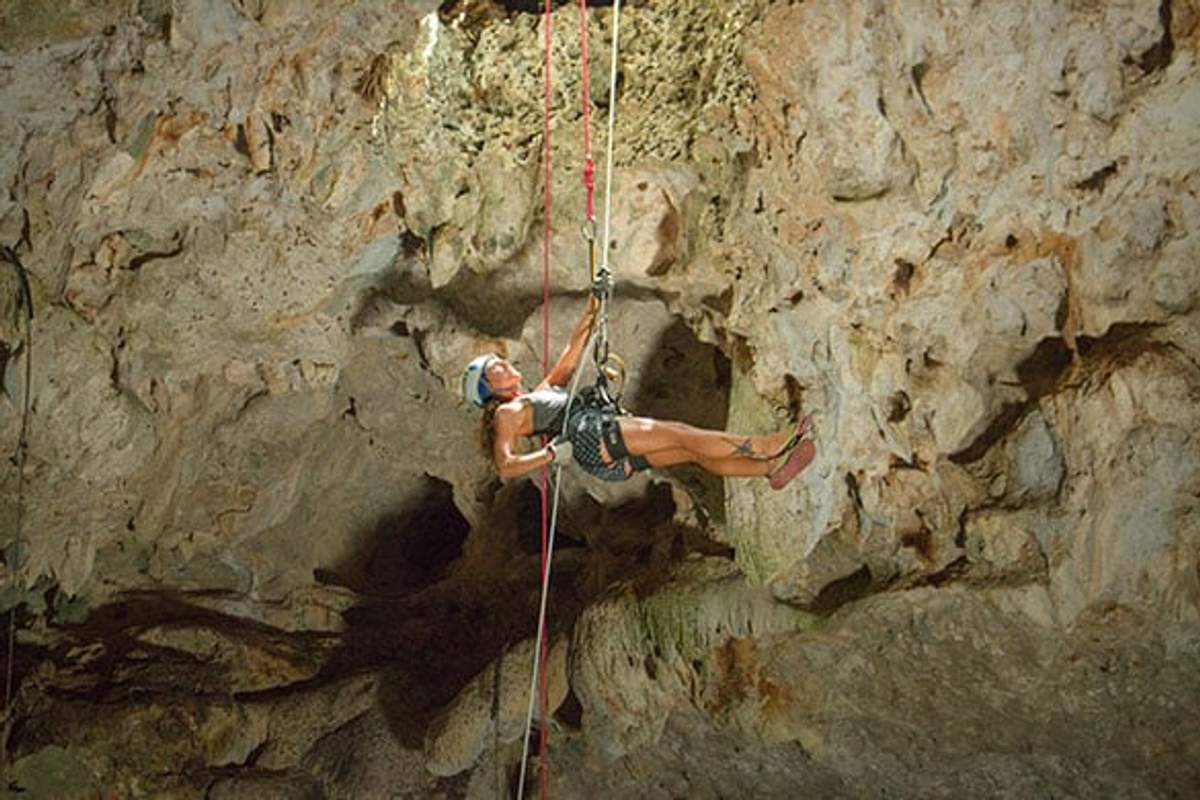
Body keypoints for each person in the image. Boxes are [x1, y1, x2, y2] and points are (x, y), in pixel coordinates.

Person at [461, 295, 816, 488]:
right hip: (591, 436)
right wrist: (552, 455)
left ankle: (769, 470)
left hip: (599, 449)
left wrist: (594, 305)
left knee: (690, 452)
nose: (506, 366)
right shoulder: (507, 413)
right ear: (490, 389)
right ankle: (767, 446)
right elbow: (505, 466)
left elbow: (573, 353)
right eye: (496, 369)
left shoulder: (539, 394)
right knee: (683, 434)